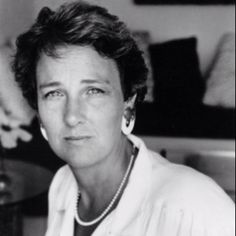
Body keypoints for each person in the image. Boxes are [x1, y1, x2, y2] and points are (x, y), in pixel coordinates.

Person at [12, 1, 234, 236]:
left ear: (127, 103)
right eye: (53, 93)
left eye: (93, 91)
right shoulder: (63, 185)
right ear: (38, 109)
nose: (72, 116)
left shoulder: (192, 206)